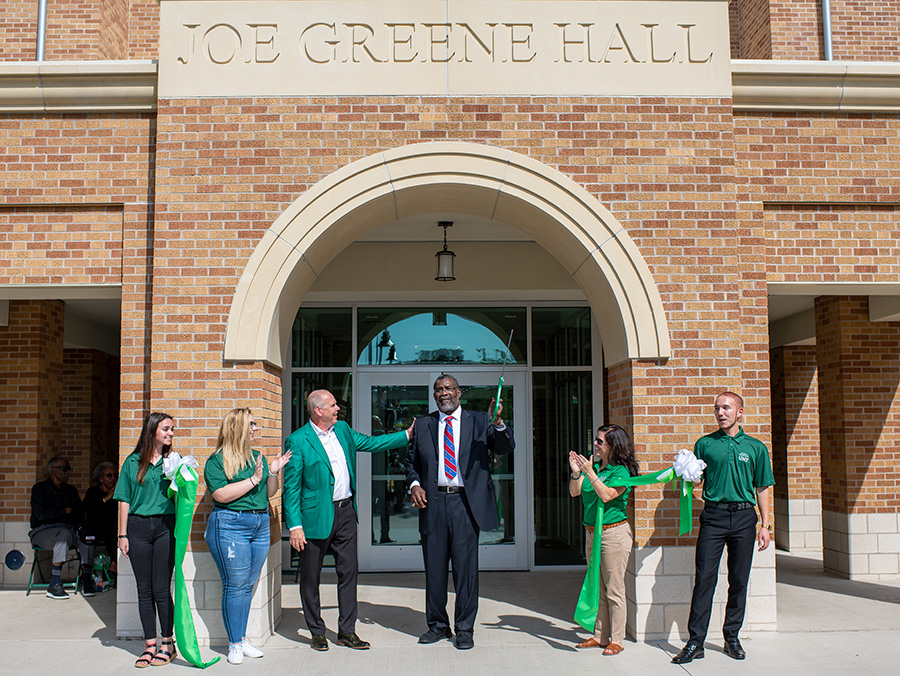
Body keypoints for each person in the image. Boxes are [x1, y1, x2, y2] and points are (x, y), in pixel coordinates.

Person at [283, 389, 413, 652]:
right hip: (315, 517)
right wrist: (295, 525)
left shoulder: (342, 430)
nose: (338, 408)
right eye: (332, 405)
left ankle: (347, 631)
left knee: (349, 572)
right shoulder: (298, 441)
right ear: (318, 410)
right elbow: (291, 487)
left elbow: (371, 443)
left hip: (345, 513)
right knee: (311, 576)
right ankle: (317, 631)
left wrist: (407, 436)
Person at [406, 373, 515, 650]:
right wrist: (415, 485)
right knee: (434, 569)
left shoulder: (480, 420)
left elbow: (505, 447)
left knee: (466, 571)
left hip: (466, 504)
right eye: (438, 390)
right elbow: (411, 464)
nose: (443, 393)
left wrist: (498, 422)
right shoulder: (424, 424)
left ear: (459, 392)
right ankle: (438, 626)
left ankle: (465, 629)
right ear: (434, 395)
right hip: (434, 503)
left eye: (448, 388)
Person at [671, 392, 774, 664]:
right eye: (717, 408)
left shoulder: (755, 447)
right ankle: (695, 643)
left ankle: (732, 638)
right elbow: (697, 482)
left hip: (744, 518)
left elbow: (762, 486)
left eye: (726, 407)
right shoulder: (705, 444)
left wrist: (766, 525)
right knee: (705, 578)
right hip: (714, 517)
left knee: (739, 580)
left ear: (740, 412)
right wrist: (688, 475)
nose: (720, 412)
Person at [204, 408, 291, 665]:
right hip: (230, 525)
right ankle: (234, 644)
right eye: (251, 424)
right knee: (235, 584)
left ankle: (241, 639)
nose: (255, 429)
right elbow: (220, 495)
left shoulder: (258, 457)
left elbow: (270, 492)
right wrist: (254, 479)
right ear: (238, 427)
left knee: (245, 585)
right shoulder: (217, 460)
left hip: (260, 523)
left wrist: (273, 472)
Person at [568, 424, 639, 655]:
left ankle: (617, 639)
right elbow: (574, 492)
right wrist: (577, 472)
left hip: (613, 533)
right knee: (598, 587)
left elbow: (608, 495)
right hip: (592, 532)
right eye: (596, 440)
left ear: (613, 446)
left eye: (600, 442)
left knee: (614, 588)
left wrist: (589, 472)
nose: (596, 445)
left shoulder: (621, 472)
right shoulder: (596, 466)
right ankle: (600, 636)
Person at [115, 412, 179, 668]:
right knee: (144, 590)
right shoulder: (132, 462)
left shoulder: (173, 461)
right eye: (166, 429)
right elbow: (123, 499)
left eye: (172, 429)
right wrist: (122, 534)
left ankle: (168, 643)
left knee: (161, 588)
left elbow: (184, 496)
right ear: (153, 430)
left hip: (165, 527)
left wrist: (180, 474)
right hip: (138, 527)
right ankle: (149, 644)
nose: (171, 433)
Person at [29, 456, 97, 599]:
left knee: (88, 535)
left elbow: (77, 512)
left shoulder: (70, 490)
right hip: (42, 531)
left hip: (68, 528)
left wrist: (69, 517)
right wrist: (64, 511)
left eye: (69, 469)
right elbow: (41, 515)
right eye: (64, 469)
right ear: (52, 470)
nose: (68, 472)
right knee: (63, 534)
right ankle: (54, 584)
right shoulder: (39, 489)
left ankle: (86, 579)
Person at [83, 461, 119, 580]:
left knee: (114, 529)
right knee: (111, 530)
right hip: (96, 527)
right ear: (100, 478)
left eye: (114, 475)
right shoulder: (93, 492)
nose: (112, 478)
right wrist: (109, 496)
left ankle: (114, 565)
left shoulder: (118, 493)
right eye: (109, 475)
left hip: (112, 528)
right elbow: (91, 511)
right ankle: (112, 566)